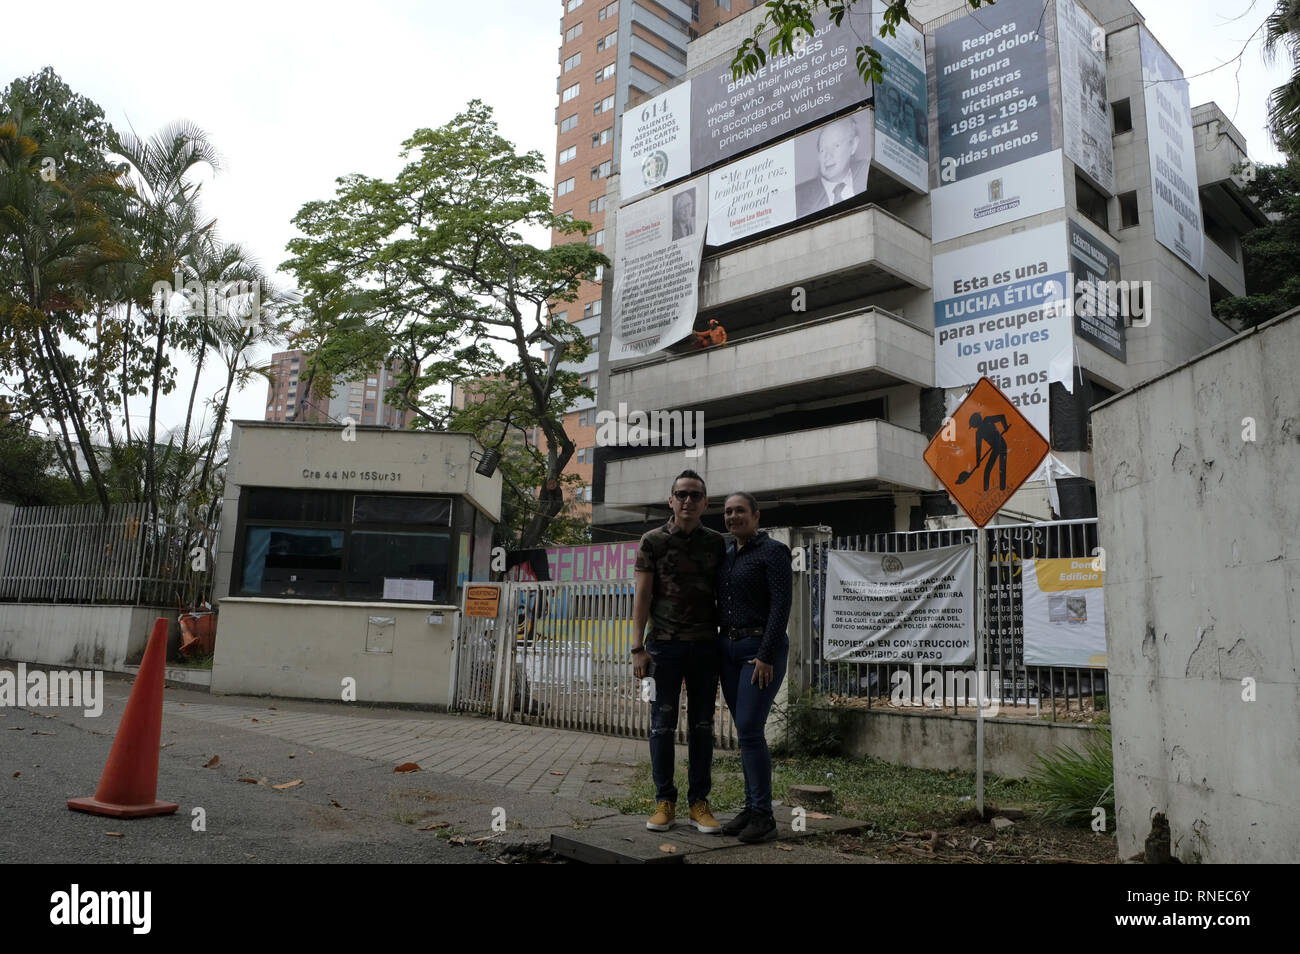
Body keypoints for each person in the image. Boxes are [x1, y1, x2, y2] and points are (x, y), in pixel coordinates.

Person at [632, 469, 727, 833]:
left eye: (695, 495)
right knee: (661, 725)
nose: (687, 500)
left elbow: (725, 592)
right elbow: (642, 596)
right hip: (662, 650)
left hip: (705, 647)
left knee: (703, 727)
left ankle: (699, 803)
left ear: (704, 503)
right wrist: (637, 647)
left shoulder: (717, 543)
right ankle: (664, 801)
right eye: (681, 494)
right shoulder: (652, 540)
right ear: (670, 500)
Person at [716, 491, 792, 843]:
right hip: (728, 650)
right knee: (744, 731)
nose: (733, 517)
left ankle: (764, 815)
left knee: (749, 728)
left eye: (740, 511)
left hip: (761, 649)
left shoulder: (773, 552)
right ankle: (750, 807)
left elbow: (780, 606)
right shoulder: (728, 554)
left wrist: (765, 654)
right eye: (728, 512)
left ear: (756, 515)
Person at [795, 117, 869, 217]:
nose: (827, 156)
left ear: (853, 146)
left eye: (836, 146)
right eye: (822, 150)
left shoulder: (870, 175)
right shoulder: (798, 199)